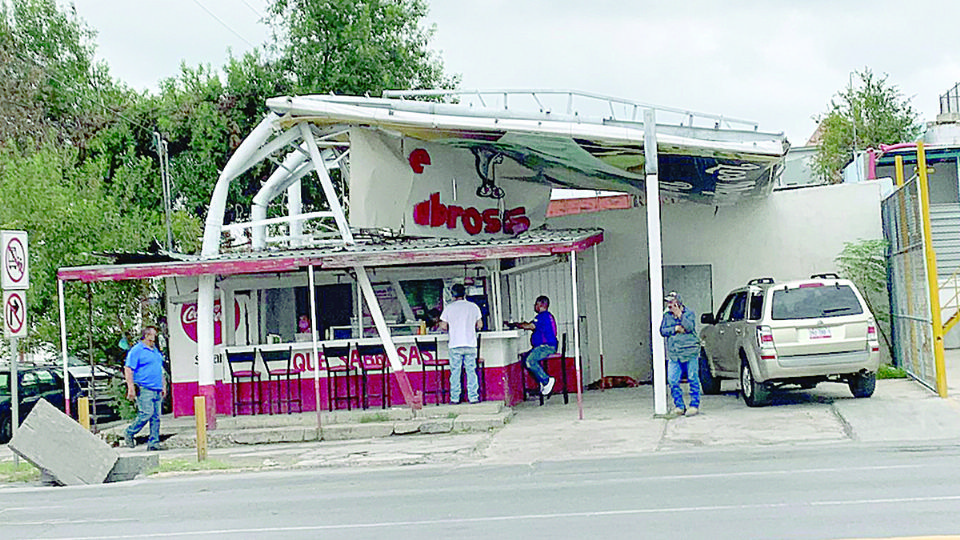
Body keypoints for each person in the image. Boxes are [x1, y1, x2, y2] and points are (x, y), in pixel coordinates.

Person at [123, 325, 167, 450]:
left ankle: (154, 443)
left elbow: (160, 369)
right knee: (146, 413)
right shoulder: (137, 350)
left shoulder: (155, 351)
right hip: (144, 388)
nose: (155, 338)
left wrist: (163, 385)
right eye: (153, 335)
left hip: (156, 388)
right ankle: (130, 432)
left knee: (156, 418)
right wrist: (130, 387)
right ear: (147, 335)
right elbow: (128, 368)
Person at [439, 283, 483, 404]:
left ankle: (455, 398)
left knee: (455, 372)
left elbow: (443, 326)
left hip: (455, 344)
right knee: (471, 371)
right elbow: (480, 325)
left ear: (453, 295)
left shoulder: (449, 308)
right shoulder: (473, 307)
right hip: (470, 343)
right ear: (465, 293)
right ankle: (473, 397)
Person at [660, 291, 701, 416]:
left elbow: (689, 327)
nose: (669, 305)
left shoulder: (689, 313)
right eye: (668, 303)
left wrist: (680, 316)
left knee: (693, 378)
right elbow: (663, 330)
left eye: (672, 303)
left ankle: (694, 405)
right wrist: (675, 329)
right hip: (674, 353)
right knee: (672, 380)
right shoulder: (667, 316)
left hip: (690, 351)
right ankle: (679, 405)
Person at [509, 295, 558, 397]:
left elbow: (530, 326)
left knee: (529, 361)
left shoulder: (542, 316)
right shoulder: (547, 316)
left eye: (536, 304)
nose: (535, 306)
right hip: (548, 346)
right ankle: (540, 381)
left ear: (541, 304)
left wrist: (516, 325)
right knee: (525, 360)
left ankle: (546, 380)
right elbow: (531, 324)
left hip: (545, 347)